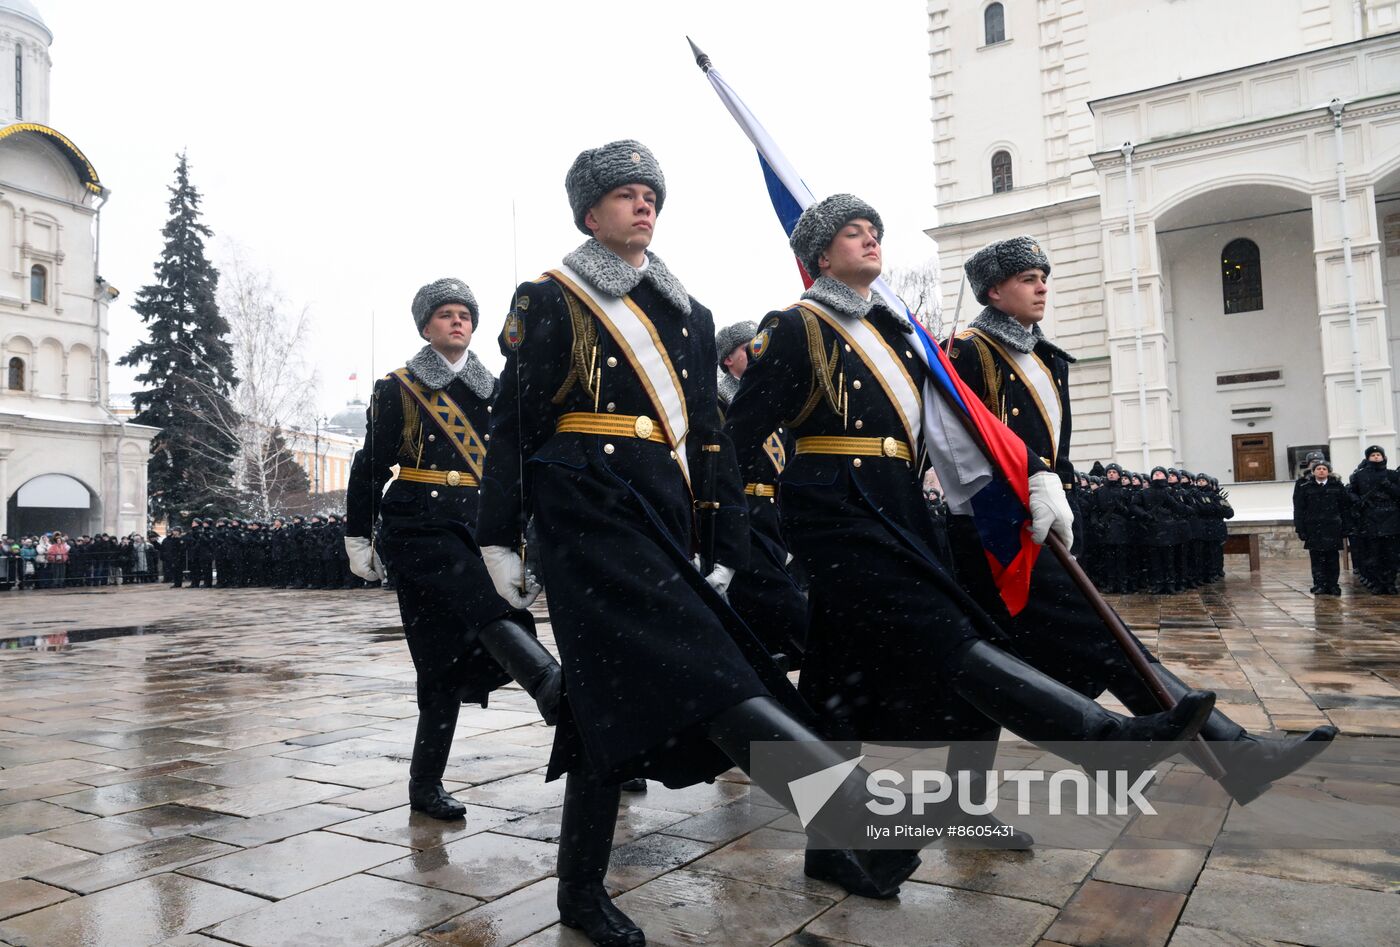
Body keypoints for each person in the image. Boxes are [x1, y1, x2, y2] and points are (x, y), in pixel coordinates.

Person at [479, 148, 959, 945]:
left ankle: (579, 890)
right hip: (583, 515)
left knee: (606, 697)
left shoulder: (689, 315)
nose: (642, 207)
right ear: (589, 215)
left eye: (650, 196)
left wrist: (723, 539)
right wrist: (500, 536)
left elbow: (710, 443)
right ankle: (850, 812)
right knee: (713, 668)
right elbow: (513, 426)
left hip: (661, 518)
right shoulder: (552, 299)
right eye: (624, 197)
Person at [723, 192, 1214, 860]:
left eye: (875, 230)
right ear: (819, 255)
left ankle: (834, 848)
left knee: (835, 683)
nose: (871, 240)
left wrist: (1028, 473)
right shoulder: (796, 326)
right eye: (852, 232)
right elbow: (742, 439)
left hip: (897, 508)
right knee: (951, 637)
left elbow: (954, 430)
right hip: (836, 514)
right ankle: (1103, 744)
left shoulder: (895, 335)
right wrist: (738, 535)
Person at [948, 235, 1335, 803]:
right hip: (994, 530)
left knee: (994, 666)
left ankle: (962, 802)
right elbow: (963, 434)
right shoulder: (969, 351)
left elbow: (1058, 454)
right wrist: (1032, 480)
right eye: (1028, 278)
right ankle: (1234, 752)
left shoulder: (1048, 358)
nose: (1042, 287)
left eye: (1044, 276)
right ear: (993, 290)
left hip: (1046, 525)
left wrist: (1059, 497)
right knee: (1102, 639)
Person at [345, 277, 563, 826]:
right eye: (444, 314)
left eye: (464, 313)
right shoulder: (399, 387)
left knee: (439, 667)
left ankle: (425, 785)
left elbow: (512, 468)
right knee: (482, 601)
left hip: (477, 524)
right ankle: (546, 684)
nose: (456, 321)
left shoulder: (496, 392)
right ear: (425, 326)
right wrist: (357, 534)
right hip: (419, 523)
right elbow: (370, 466)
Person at [714, 318, 807, 670]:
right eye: (746, 348)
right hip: (743, 506)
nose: (755, 352)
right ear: (728, 360)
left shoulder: (777, 401)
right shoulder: (720, 402)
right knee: (783, 601)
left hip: (774, 512)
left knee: (759, 606)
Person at [1349, 445, 1400, 595]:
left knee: (1391, 555)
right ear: (1368, 458)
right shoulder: (1360, 476)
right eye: (1373, 455)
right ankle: (1377, 583)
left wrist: (1389, 486)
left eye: (1378, 454)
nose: (1376, 457)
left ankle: (1389, 583)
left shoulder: (1392, 475)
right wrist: (1359, 501)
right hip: (1370, 518)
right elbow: (1351, 492)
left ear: (1383, 457)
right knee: (1373, 555)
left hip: (1391, 518)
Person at [1295, 460, 1351, 595]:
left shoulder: (1337, 487)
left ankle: (1333, 584)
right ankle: (1319, 584)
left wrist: (1346, 527)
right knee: (1317, 559)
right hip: (1314, 528)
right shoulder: (1306, 487)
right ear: (1313, 471)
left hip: (1332, 528)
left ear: (1328, 472)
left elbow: (1345, 508)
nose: (1321, 471)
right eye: (1318, 468)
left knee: (1332, 558)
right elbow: (1299, 510)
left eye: (1324, 469)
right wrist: (1300, 529)